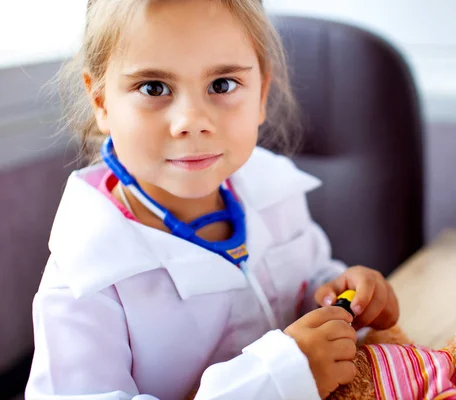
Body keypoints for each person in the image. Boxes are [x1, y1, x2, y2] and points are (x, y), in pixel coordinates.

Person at [25, 1, 399, 399]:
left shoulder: (274, 192)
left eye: (222, 85)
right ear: (101, 102)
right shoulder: (84, 279)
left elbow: (305, 284)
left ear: (261, 93)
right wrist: (275, 381)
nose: (192, 121)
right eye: (154, 88)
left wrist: (342, 298)